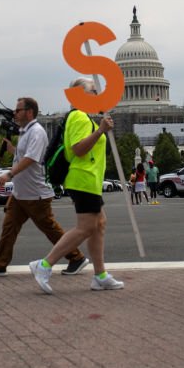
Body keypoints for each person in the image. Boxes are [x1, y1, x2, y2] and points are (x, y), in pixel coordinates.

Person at [0, 97, 88, 277]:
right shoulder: (26, 132)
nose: (15, 113)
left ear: (29, 112)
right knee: (9, 227)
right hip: (22, 193)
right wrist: (12, 149)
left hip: (35, 194)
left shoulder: (36, 132)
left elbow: (31, 159)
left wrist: (9, 174)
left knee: (50, 229)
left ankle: (76, 257)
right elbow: (24, 155)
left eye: (18, 110)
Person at [30, 77, 123, 294]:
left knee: (99, 223)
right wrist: (100, 131)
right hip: (83, 178)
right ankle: (44, 265)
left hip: (88, 179)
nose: (96, 95)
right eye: (92, 91)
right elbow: (79, 149)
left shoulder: (81, 117)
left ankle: (100, 275)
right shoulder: (80, 117)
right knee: (86, 227)